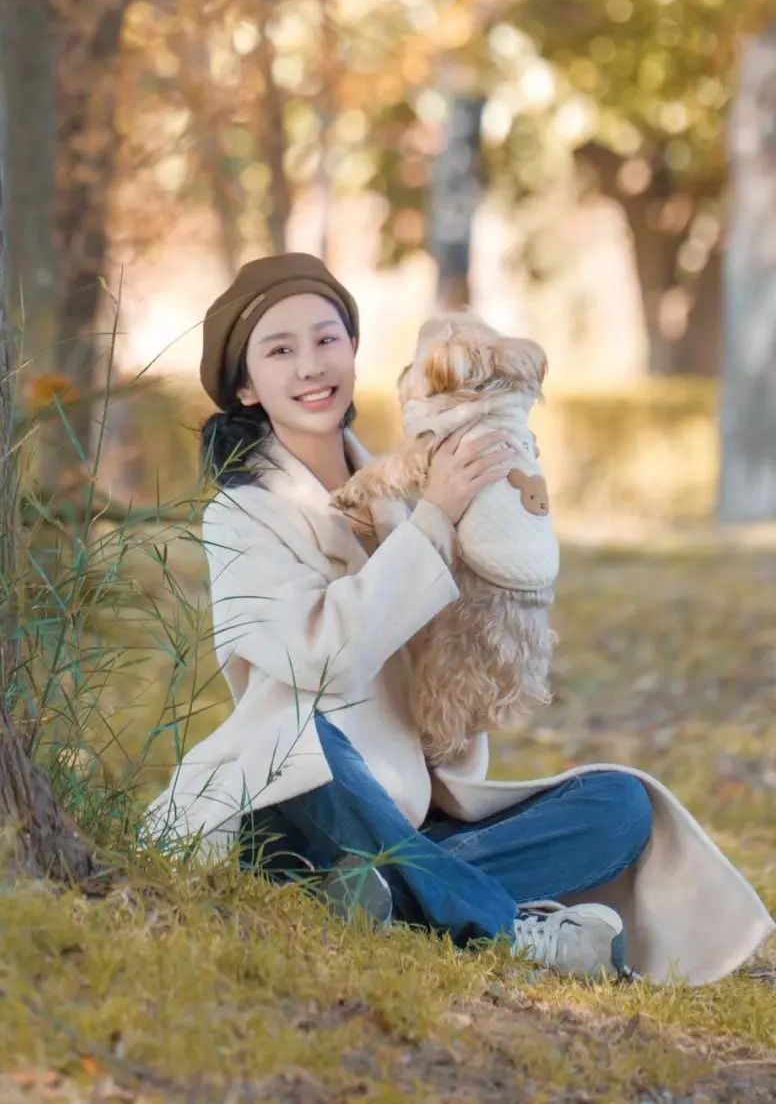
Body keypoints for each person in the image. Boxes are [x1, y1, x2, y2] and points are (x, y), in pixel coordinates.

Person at [143, 253, 774, 984]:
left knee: (621, 806)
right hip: (303, 801)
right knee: (305, 737)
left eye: (326, 340)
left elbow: (450, 667)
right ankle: (510, 930)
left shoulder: (402, 490)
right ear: (247, 385)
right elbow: (316, 659)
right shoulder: (241, 514)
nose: (310, 366)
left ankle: (380, 895)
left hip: (406, 807)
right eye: (279, 351)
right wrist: (435, 521)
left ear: (352, 350)